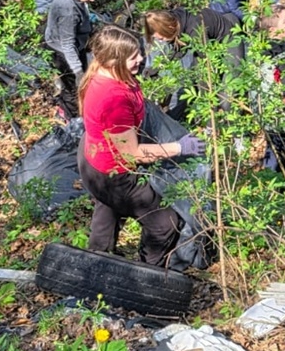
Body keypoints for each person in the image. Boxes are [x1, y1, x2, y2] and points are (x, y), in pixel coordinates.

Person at [78, 25, 207, 267]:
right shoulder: (113, 99)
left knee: (107, 209)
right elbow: (133, 153)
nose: (140, 59)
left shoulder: (102, 74)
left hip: (92, 159)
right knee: (164, 223)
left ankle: (97, 262)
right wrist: (181, 147)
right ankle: (148, 273)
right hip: (114, 174)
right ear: (113, 59)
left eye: (139, 52)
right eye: (133, 57)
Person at [44, 0, 101, 119]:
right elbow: (67, 45)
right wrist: (78, 71)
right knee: (73, 88)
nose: (93, 0)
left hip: (73, 42)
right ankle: (74, 117)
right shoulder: (68, 12)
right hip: (63, 52)